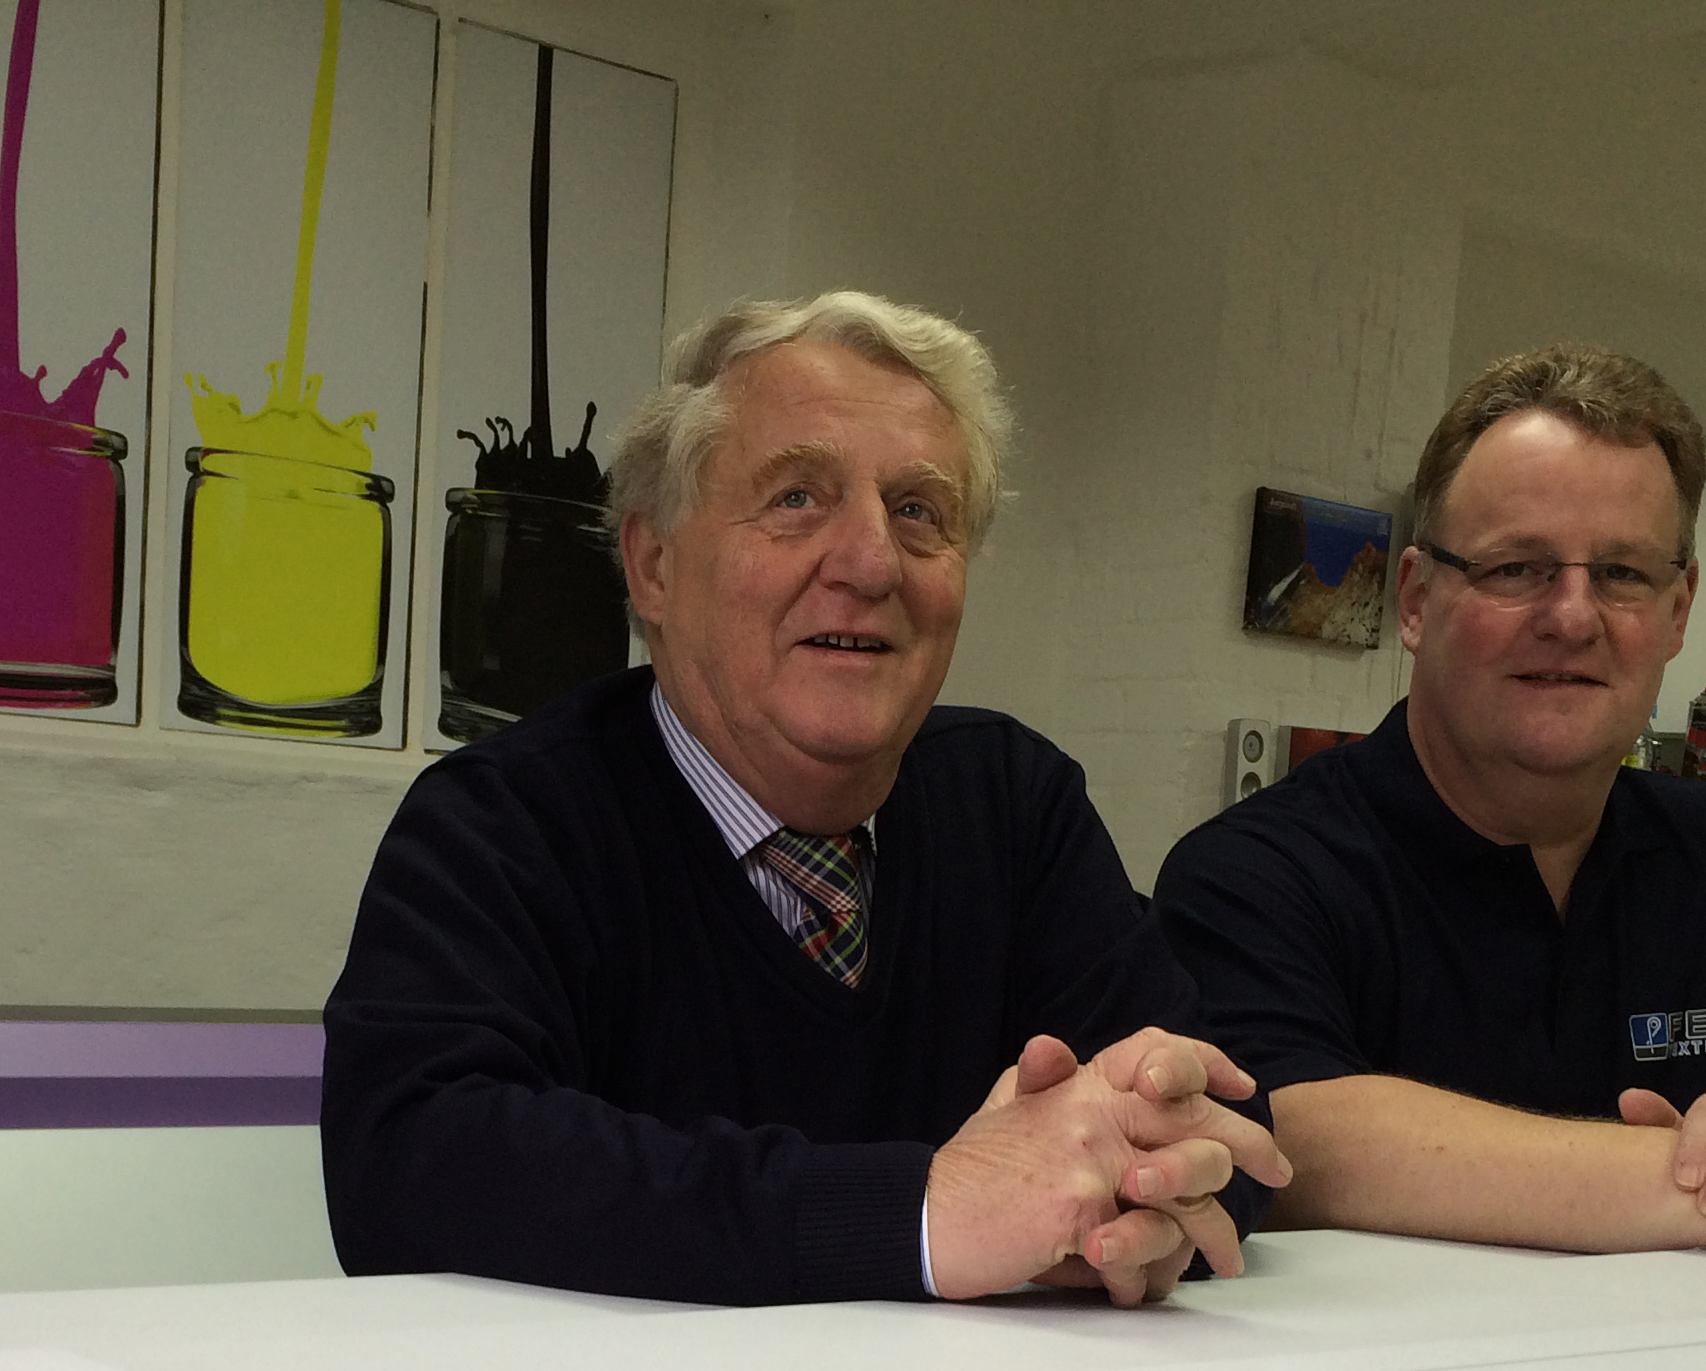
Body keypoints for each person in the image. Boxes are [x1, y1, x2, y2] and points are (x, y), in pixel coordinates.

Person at [322, 293, 1289, 1306]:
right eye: (796, 498)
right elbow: (408, 1167)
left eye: (918, 512)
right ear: (652, 565)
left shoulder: (1013, 805)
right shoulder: (502, 825)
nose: (871, 563)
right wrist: (921, 1215)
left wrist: (1143, 1192)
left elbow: (1229, 1121)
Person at [1155, 344, 1706, 1285]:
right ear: (1417, 599)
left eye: (1623, 574)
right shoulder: (1257, 870)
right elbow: (1294, 1135)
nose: (1572, 616)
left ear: (1678, 609)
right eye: (1517, 567)